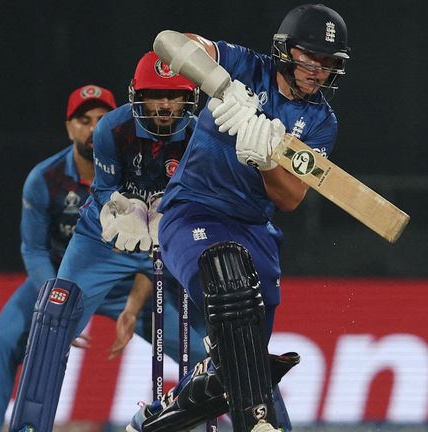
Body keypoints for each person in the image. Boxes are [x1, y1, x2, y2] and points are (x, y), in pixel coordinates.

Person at [128, 4, 352, 432]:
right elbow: (170, 42)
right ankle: (257, 423)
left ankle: (166, 411)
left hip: (255, 231)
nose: (318, 70)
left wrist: (267, 158)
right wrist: (224, 87)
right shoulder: (246, 65)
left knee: (243, 361)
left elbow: (291, 199)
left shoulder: (321, 122)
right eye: (311, 57)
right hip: (191, 212)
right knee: (228, 283)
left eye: (328, 63)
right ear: (287, 50)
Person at [7, 54, 207, 432]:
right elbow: (102, 191)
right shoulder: (112, 129)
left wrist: (176, 214)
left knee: (212, 343)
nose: (165, 106)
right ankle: (29, 427)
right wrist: (118, 208)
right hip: (104, 240)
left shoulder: (201, 133)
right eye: (155, 96)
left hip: (169, 237)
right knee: (53, 325)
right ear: (138, 96)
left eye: (175, 96)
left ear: (189, 98)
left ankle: (264, 420)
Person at [0, 85, 161, 432]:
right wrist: (55, 304)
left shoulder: (137, 174)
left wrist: (133, 307)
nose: (93, 128)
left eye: (102, 119)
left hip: (127, 287)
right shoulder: (45, 180)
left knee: (204, 351)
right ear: (68, 127)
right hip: (63, 279)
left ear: (116, 126)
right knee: (1, 342)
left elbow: (152, 252)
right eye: (83, 120)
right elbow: (33, 249)